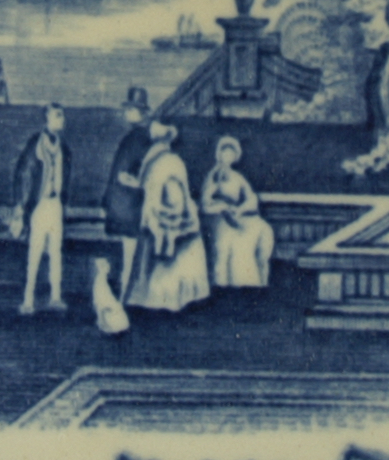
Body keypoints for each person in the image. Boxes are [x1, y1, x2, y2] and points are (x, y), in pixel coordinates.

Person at [126, 122, 211, 313]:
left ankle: (167, 300)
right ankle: (160, 300)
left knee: (171, 261)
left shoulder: (167, 160)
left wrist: (172, 211)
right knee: (160, 260)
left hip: (169, 213)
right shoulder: (157, 159)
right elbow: (151, 185)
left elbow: (174, 189)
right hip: (159, 212)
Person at [10, 104, 68, 315]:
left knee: (56, 251)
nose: (62, 119)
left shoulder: (62, 147)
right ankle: (28, 300)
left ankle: (55, 297)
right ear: (47, 119)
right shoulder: (36, 144)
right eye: (58, 115)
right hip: (40, 205)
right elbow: (24, 175)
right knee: (35, 252)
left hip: (55, 204)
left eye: (62, 115)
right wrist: (21, 206)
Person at [102, 87, 154, 300]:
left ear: (140, 112)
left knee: (130, 257)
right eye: (127, 109)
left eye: (131, 109)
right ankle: (124, 296)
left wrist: (133, 182)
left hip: (130, 208)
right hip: (123, 206)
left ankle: (126, 297)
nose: (127, 112)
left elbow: (143, 174)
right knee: (127, 256)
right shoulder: (134, 137)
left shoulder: (139, 138)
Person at [203, 136, 274, 288]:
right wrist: (222, 207)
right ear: (219, 154)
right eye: (225, 153)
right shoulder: (215, 175)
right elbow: (205, 202)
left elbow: (252, 198)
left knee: (259, 230)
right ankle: (223, 284)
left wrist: (240, 209)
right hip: (219, 218)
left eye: (231, 154)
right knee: (228, 244)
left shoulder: (237, 177)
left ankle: (249, 282)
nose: (228, 156)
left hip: (235, 216)